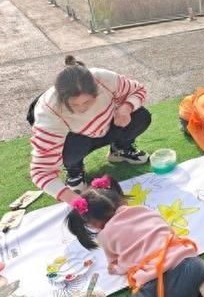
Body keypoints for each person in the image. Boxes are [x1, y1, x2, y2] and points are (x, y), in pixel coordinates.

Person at [66, 176, 204, 297]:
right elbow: (168, 232)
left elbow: (119, 264)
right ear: (119, 199)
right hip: (192, 265)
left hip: (157, 284)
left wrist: (116, 269)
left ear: (94, 223)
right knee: (196, 280)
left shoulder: (104, 236)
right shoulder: (144, 209)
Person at [29, 55, 150, 205]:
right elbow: (41, 171)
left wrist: (126, 108)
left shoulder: (103, 79)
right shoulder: (49, 112)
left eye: (87, 101)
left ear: (96, 91)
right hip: (77, 141)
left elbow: (138, 90)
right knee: (73, 146)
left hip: (107, 125)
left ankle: (120, 149)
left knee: (141, 116)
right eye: (74, 105)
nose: (82, 108)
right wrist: (71, 198)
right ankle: (74, 170)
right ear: (61, 99)